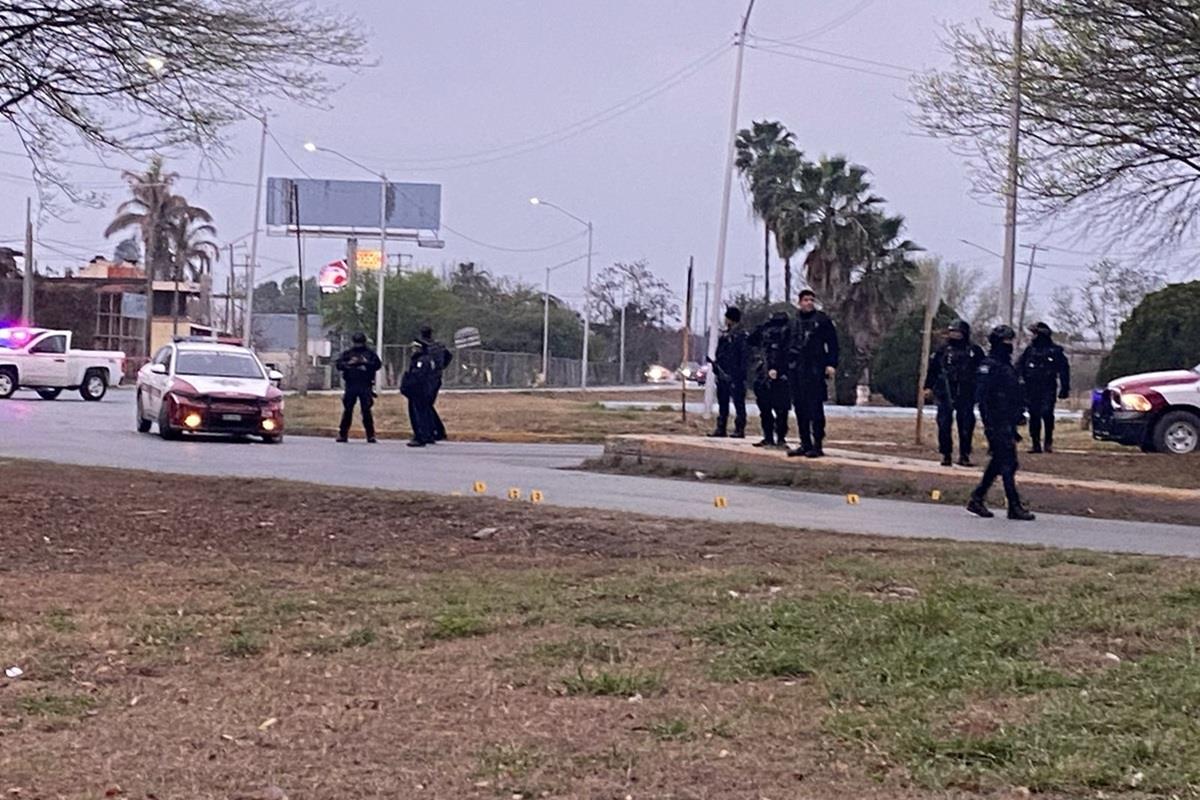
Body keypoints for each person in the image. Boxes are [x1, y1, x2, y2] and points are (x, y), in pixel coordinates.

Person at [968, 324, 1036, 521]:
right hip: (996, 422)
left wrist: (1018, 415)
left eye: (1010, 341)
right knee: (1008, 463)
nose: (1009, 345)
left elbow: (1013, 394)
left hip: (1008, 421)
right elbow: (983, 399)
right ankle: (1013, 506)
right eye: (1005, 341)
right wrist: (989, 425)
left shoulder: (1007, 366)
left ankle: (977, 497)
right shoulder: (989, 366)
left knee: (1000, 462)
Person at [924, 319, 985, 467]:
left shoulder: (974, 351)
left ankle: (964, 455)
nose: (955, 335)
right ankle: (946, 454)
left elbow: (981, 371)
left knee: (965, 424)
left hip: (966, 392)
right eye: (952, 332)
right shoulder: (942, 350)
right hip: (945, 391)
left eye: (958, 332)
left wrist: (980, 390)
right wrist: (928, 387)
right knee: (944, 423)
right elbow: (933, 370)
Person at [786, 289, 839, 459]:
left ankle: (817, 444)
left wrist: (831, 364)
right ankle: (805, 443)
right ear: (800, 302)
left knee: (815, 409)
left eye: (811, 300)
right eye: (805, 300)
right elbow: (787, 345)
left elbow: (833, 343)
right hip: (797, 370)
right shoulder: (793, 321)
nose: (809, 303)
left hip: (815, 369)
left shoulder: (822, 320)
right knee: (800, 409)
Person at [1018, 321, 1071, 453]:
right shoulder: (1029, 350)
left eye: (1035, 333)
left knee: (1047, 413)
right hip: (1031, 387)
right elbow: (1019, 366)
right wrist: (1019, 382)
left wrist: (1064, 388)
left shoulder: (1055, 351)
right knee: (1034, 415)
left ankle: (1048, 441)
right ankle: (1035, 444)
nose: (1032, 336)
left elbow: (1064, 370)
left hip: (1048, 387)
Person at [748, 310, 791, 448]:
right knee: (775, 410)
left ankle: (774, 438)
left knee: (776, 410)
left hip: (776, 375)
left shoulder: (787, 333)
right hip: (770, 374)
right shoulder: (767, 332)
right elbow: (751, 340)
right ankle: (774, 438)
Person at [707, 306, 749, 438]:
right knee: (722, 402)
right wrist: (716, 367)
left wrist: (739, 374)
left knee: (738, 403)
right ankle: (721, 428)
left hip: (736, 375)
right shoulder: (725, 336)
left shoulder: (741, 336)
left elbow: (743, 357)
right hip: (723, 373)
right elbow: (720, 354)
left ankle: (739, 429)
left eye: (727, 318)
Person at [335, 332, 382, 443]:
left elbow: (377, 365)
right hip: (351, 384)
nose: (358, 345)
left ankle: (370, 435)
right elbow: (339, 365)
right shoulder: (348, 353)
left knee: (366, 410)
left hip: (365, 385)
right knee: (348, 410)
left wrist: (365, 363)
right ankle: (343, 434)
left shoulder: (369, 354)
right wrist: (349, 364)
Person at [400, 339, 439, 448]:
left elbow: (418, 376)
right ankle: (427, 434)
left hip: (419, 391)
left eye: (415, 348)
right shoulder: (427, 359)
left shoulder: (422, 361)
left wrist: (407, 384)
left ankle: (420, 436)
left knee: (418, 414)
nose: (413, 350)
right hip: (424, 391)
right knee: (424, 413)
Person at [418, 325, 453, 441]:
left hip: (426, 378)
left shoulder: (422, 346)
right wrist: (442, 367)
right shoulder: (439, 346)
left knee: (425, 405)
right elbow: (449, 356)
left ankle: (434, 431)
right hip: (436, 377)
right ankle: (435, 430)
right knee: (427, 405)